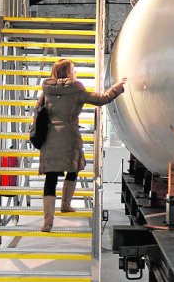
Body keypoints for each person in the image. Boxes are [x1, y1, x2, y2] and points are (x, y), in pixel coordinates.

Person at [35, 58, 127, 232]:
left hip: (49, 138)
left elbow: (37, 112)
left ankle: (47, 222)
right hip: (70, 136)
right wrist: (119, 86)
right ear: (68, 73)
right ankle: (65, 204)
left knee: (51, 178)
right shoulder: (76, 90)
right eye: (73, 69)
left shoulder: (46, 91)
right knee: (73, 169)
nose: (75, 72)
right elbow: (102, 99)